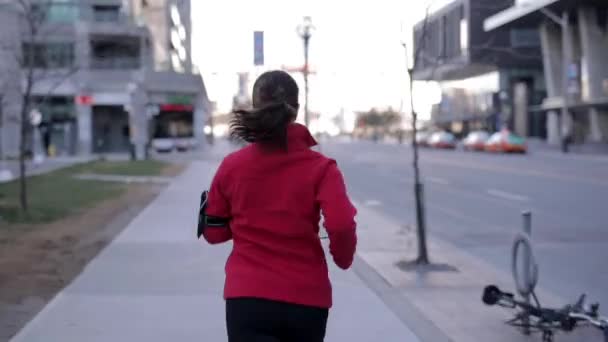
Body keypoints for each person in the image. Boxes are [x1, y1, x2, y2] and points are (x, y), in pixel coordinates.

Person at [200, 70, 357, 342]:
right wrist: (343, 259)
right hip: (306, 298)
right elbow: (341, 224)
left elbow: (214, 233)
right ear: (296, 110)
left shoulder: (232, 167)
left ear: (255, 106)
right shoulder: (322, 169)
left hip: (247, 298)